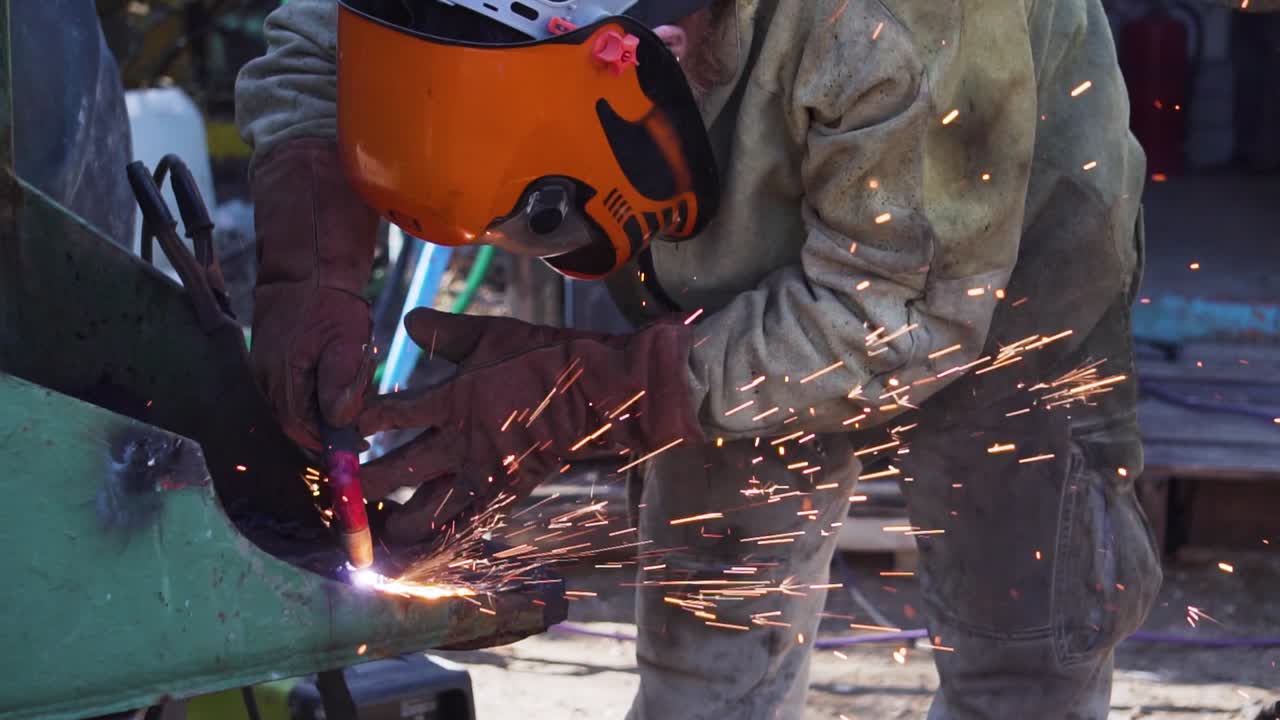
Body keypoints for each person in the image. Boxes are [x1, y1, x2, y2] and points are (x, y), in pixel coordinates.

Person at [235, 0, 1162, 717]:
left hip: (991, 242)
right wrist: (309, 266)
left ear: (658, 46)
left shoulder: (892, 22)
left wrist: (605, 392)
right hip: (719, 246)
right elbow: (325, 41)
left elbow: (896, 312)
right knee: (708, 651)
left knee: (1022, 652)